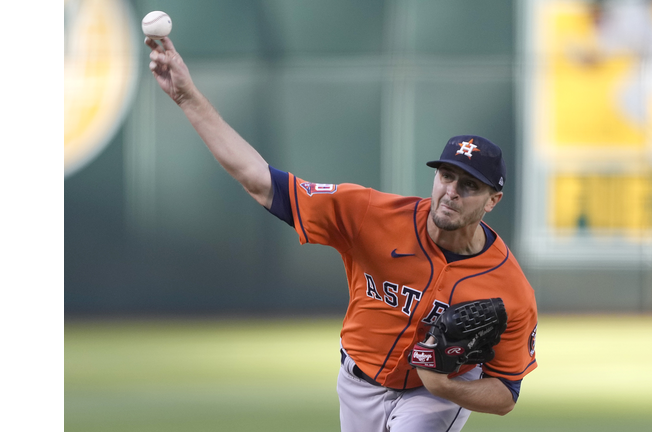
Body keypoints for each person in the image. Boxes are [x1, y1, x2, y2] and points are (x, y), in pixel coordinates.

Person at [145, 36, 538, 432]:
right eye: (446, 176)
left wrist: (443, 386)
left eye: (469, 186)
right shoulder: (370, 214)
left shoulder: (510, 290)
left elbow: (507, 392)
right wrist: (187, 97)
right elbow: (258, 180)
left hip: (435, 395)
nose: (451, 192)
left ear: (494, 200)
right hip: (356, 384)